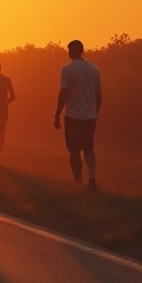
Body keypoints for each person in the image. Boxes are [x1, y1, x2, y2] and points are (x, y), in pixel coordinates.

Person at [54, 40, 102, 191]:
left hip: (73, 116)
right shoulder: (94, 69)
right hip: (90, 116)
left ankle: (78, 182)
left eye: (68, 50)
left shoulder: (67, 70)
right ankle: (92, 178)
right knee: (89, 148)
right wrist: (95, 112)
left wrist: (57, 114)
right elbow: (98, 94)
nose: (67, 53)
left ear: (73, 50)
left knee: (74, 150)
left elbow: (63, 93)